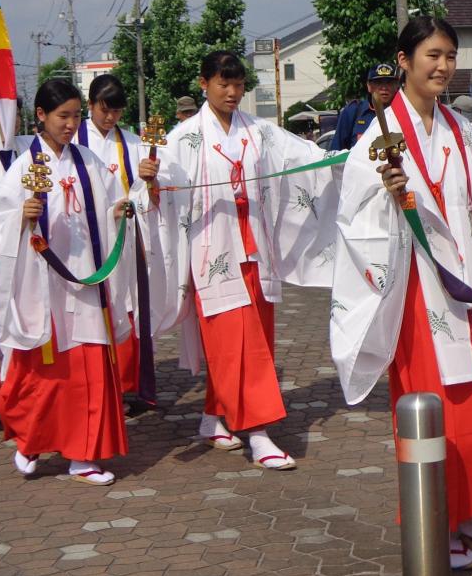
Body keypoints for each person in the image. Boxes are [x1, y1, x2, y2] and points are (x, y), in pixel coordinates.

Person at [331, 16, 472, 571]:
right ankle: (440, 514)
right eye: (432, 54)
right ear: (404, 61)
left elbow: (471, 198)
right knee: (439, 403)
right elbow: (353, 216)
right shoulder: (376, 138)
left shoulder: (462, 130)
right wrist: (389, 198)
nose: (443, 66)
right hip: (417, 289)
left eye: (450, 56)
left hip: (469, 282)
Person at [142, 50, 339, 471]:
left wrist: (348, 161)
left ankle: (214, 416)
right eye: (222, 84)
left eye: (238, 85)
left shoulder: (259, 131)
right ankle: (258, 431)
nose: (232, 93)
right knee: (237, 341)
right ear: (204, 84)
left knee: (252, 341)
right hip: (213, 253)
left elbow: (304, 156)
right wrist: (152, 182)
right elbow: (162, 189)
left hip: (256, 251)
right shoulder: (185, 136)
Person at [0, 79, 144, 484]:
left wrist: (120, 211)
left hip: (87, 282)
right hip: (44, 287)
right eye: (62, 116)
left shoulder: (89, 162)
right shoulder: (24, 167)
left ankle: (83, 455)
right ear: (41, 116)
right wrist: (20, 216)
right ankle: (30, 439)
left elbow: (109, 207)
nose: (70, 124)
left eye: (75, 116)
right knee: (42, 374)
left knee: (88, 371)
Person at [73, 74, 148, 401]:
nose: (110, 117)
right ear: (90, 105)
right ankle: (94, 380)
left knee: (127, 302)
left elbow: (145, 192)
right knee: (92, 305)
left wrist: (149, 183)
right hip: (87, 239)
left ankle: (125, 382)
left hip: (125, 238)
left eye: (116, 111)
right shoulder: (74, 140)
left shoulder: (132, 143)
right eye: (104, 109)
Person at [329, 63, 399, 150]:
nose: (384, 88)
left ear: (397, 86)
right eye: (378, 82)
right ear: (369, 86)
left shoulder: (404, 113)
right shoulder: (353, 111)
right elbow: (335, 152)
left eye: (389, 82)